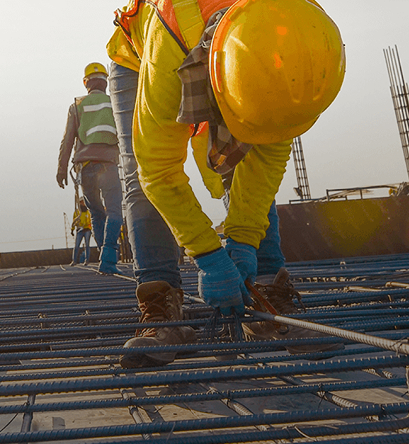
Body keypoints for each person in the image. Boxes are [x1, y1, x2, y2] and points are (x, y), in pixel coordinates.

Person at [106, 0, 346, 367]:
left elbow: (267, 155)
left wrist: (244, 240)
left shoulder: (296, 34)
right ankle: (160, 310)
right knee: (138, 182)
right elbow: (157, 170)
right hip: (142, 60)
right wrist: (209, 256)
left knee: (250, 150)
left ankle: (266, 294)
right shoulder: (168, 38)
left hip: (244, 51)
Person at [57, 63, 124, 275]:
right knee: (114, 211)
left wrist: (61, 169)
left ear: (86, 83)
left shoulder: (77, 106)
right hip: (109, 165)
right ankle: (109, 258)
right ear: (106, 82)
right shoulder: (115, 103)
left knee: (96, 213)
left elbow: (67, 141)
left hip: (86, 168)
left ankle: (105, 259)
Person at [70, 198, 93, 266]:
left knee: (87, 245)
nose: (82, 204)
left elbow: (91, 221)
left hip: (87, 230)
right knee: (76, 246)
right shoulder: (76, 212)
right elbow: (74, 221)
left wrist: (90, 228)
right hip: (79, 230)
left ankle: (87, 260)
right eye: (81, 202)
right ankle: (74, 261)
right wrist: (72, 229)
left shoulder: (88, 212)